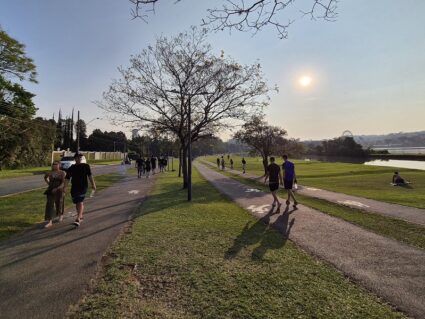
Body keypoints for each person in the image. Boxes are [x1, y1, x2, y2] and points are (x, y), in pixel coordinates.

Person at [63, 153, 96, 227]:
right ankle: (80, 216)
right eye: (78, 158)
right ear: (75, 159)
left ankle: (78, 218)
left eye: (81, 158)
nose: (80, 159)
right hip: (74, 187)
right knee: (77, 202)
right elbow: (67, 178)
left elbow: (90, 176)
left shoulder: (86, 166)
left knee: (80, 201)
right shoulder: (72, 167)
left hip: (83, 187)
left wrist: (93, 184)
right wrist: (65, 187)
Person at [43, 161, 66, 228]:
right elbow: (45, 177)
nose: (54, 165)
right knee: (49, 204)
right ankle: (49, 221)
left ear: (59, 165)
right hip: (51, 189)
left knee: (59, 202)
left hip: (59, 189)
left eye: (56, 164)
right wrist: (49, 184)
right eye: (53, 164)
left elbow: (63, 182)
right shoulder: (50, 172)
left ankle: (60, 215)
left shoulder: (62, 172)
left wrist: (58, 188)